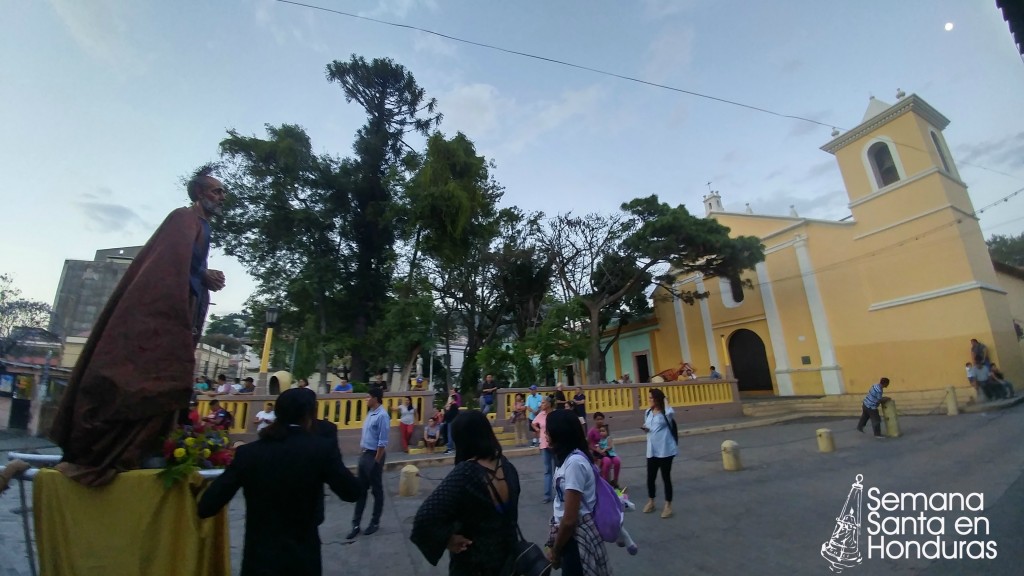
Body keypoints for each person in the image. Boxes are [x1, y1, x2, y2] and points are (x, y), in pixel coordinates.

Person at [50, 165, 227, 486]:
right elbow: (170, 262)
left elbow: (187, 264)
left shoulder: (202, 225)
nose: (222, 197)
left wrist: (203, 277)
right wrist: (201, 276)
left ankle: (157, 440)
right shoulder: (183, 218)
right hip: (164, 315)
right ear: (200, 193)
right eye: (217, 191)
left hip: (185, 309)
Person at [198, 388, 363, 576]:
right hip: (302, 559)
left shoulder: (248, 453)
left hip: (259, 559)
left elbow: (207, 506)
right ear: (309, 415)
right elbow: (352, 492)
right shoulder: (321, 450)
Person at [411, 411, 522, 575]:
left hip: (475, 562)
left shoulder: (466, 472)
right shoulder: (506, 466)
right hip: (508, 559)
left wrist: (447, 539)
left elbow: (424, 518)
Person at [545, 409, 611, 576]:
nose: (545, 434)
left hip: (576, 538)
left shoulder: (574, 463)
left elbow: (569, 519)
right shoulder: (565, 459)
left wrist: (556, 550)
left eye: (548, 431)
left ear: (560, 433)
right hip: (567, 536)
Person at [347, 386, 389, 540]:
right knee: (361, 490)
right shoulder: (370, 413)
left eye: (368, 397)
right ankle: (356, 524)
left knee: (376, 491)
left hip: (374, 455)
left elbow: (382, 442)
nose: (366, 399)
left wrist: (376, 462)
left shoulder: (382, 416)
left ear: (375, 399)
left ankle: (375, 522)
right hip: (365, 454)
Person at [641, 388, 677, 519]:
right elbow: (648, 425)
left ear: (657, 399)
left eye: (652, 398)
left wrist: (665, 400)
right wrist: (645, 428)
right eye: (649, 398)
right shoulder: (648, 412)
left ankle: (668, 505)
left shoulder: (666, 413)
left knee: (665, 477)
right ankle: (651, 501)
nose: (649, 400)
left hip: (665, 450)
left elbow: (670, 412)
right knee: (650, 477)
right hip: (652, 450)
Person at [532, 396, 555, 503]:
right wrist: (538, 430)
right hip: (544, 445)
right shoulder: (541, 415)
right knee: (547, 470)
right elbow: (533, 423)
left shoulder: (555, 414)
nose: (541, 405)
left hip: (555, 445)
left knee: (558, 469)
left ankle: (560, 493)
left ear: (549, 404)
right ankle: (547, 495)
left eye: (543, 403)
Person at [442, 390, 461, 455]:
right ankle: (450, 447)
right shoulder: (453, 406)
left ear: (453, 399)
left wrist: (446, 412)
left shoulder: (454, 406)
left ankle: (450, 448)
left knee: (450, 435)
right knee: (449, 434)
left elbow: (450, 414)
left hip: (451, 421)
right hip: (450, 421)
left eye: (450, 399)